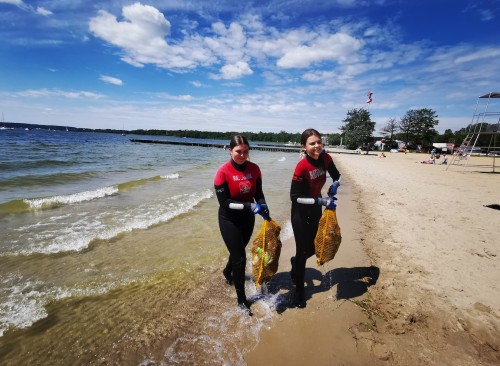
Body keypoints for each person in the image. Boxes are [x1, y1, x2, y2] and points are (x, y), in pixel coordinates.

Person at [214, 135, 269, 314]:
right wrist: (249, 206)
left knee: (237, 253)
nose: (242, 155)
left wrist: (264, 206)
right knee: (240, 258)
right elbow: (225, 203)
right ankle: (241, 300)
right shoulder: (222, 172)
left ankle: (226, 272)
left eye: (246, 151)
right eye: (238, 151)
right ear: (230, 150)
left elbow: (258, 193)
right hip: (228, 219)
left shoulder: (255, 169)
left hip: (248, 219)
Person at [289, 128, 341, 308]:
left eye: (319, 142)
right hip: (300, 213)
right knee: (303, 251)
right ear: (304, 146)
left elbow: (337, 175)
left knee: (314, 248)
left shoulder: (326, 159)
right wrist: (320, 200)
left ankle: (295, 263)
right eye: (312, 143)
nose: (317, 146)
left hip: (316, 210)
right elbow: (294, 197)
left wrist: (334, 185)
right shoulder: (302, 166)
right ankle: (299, 291)